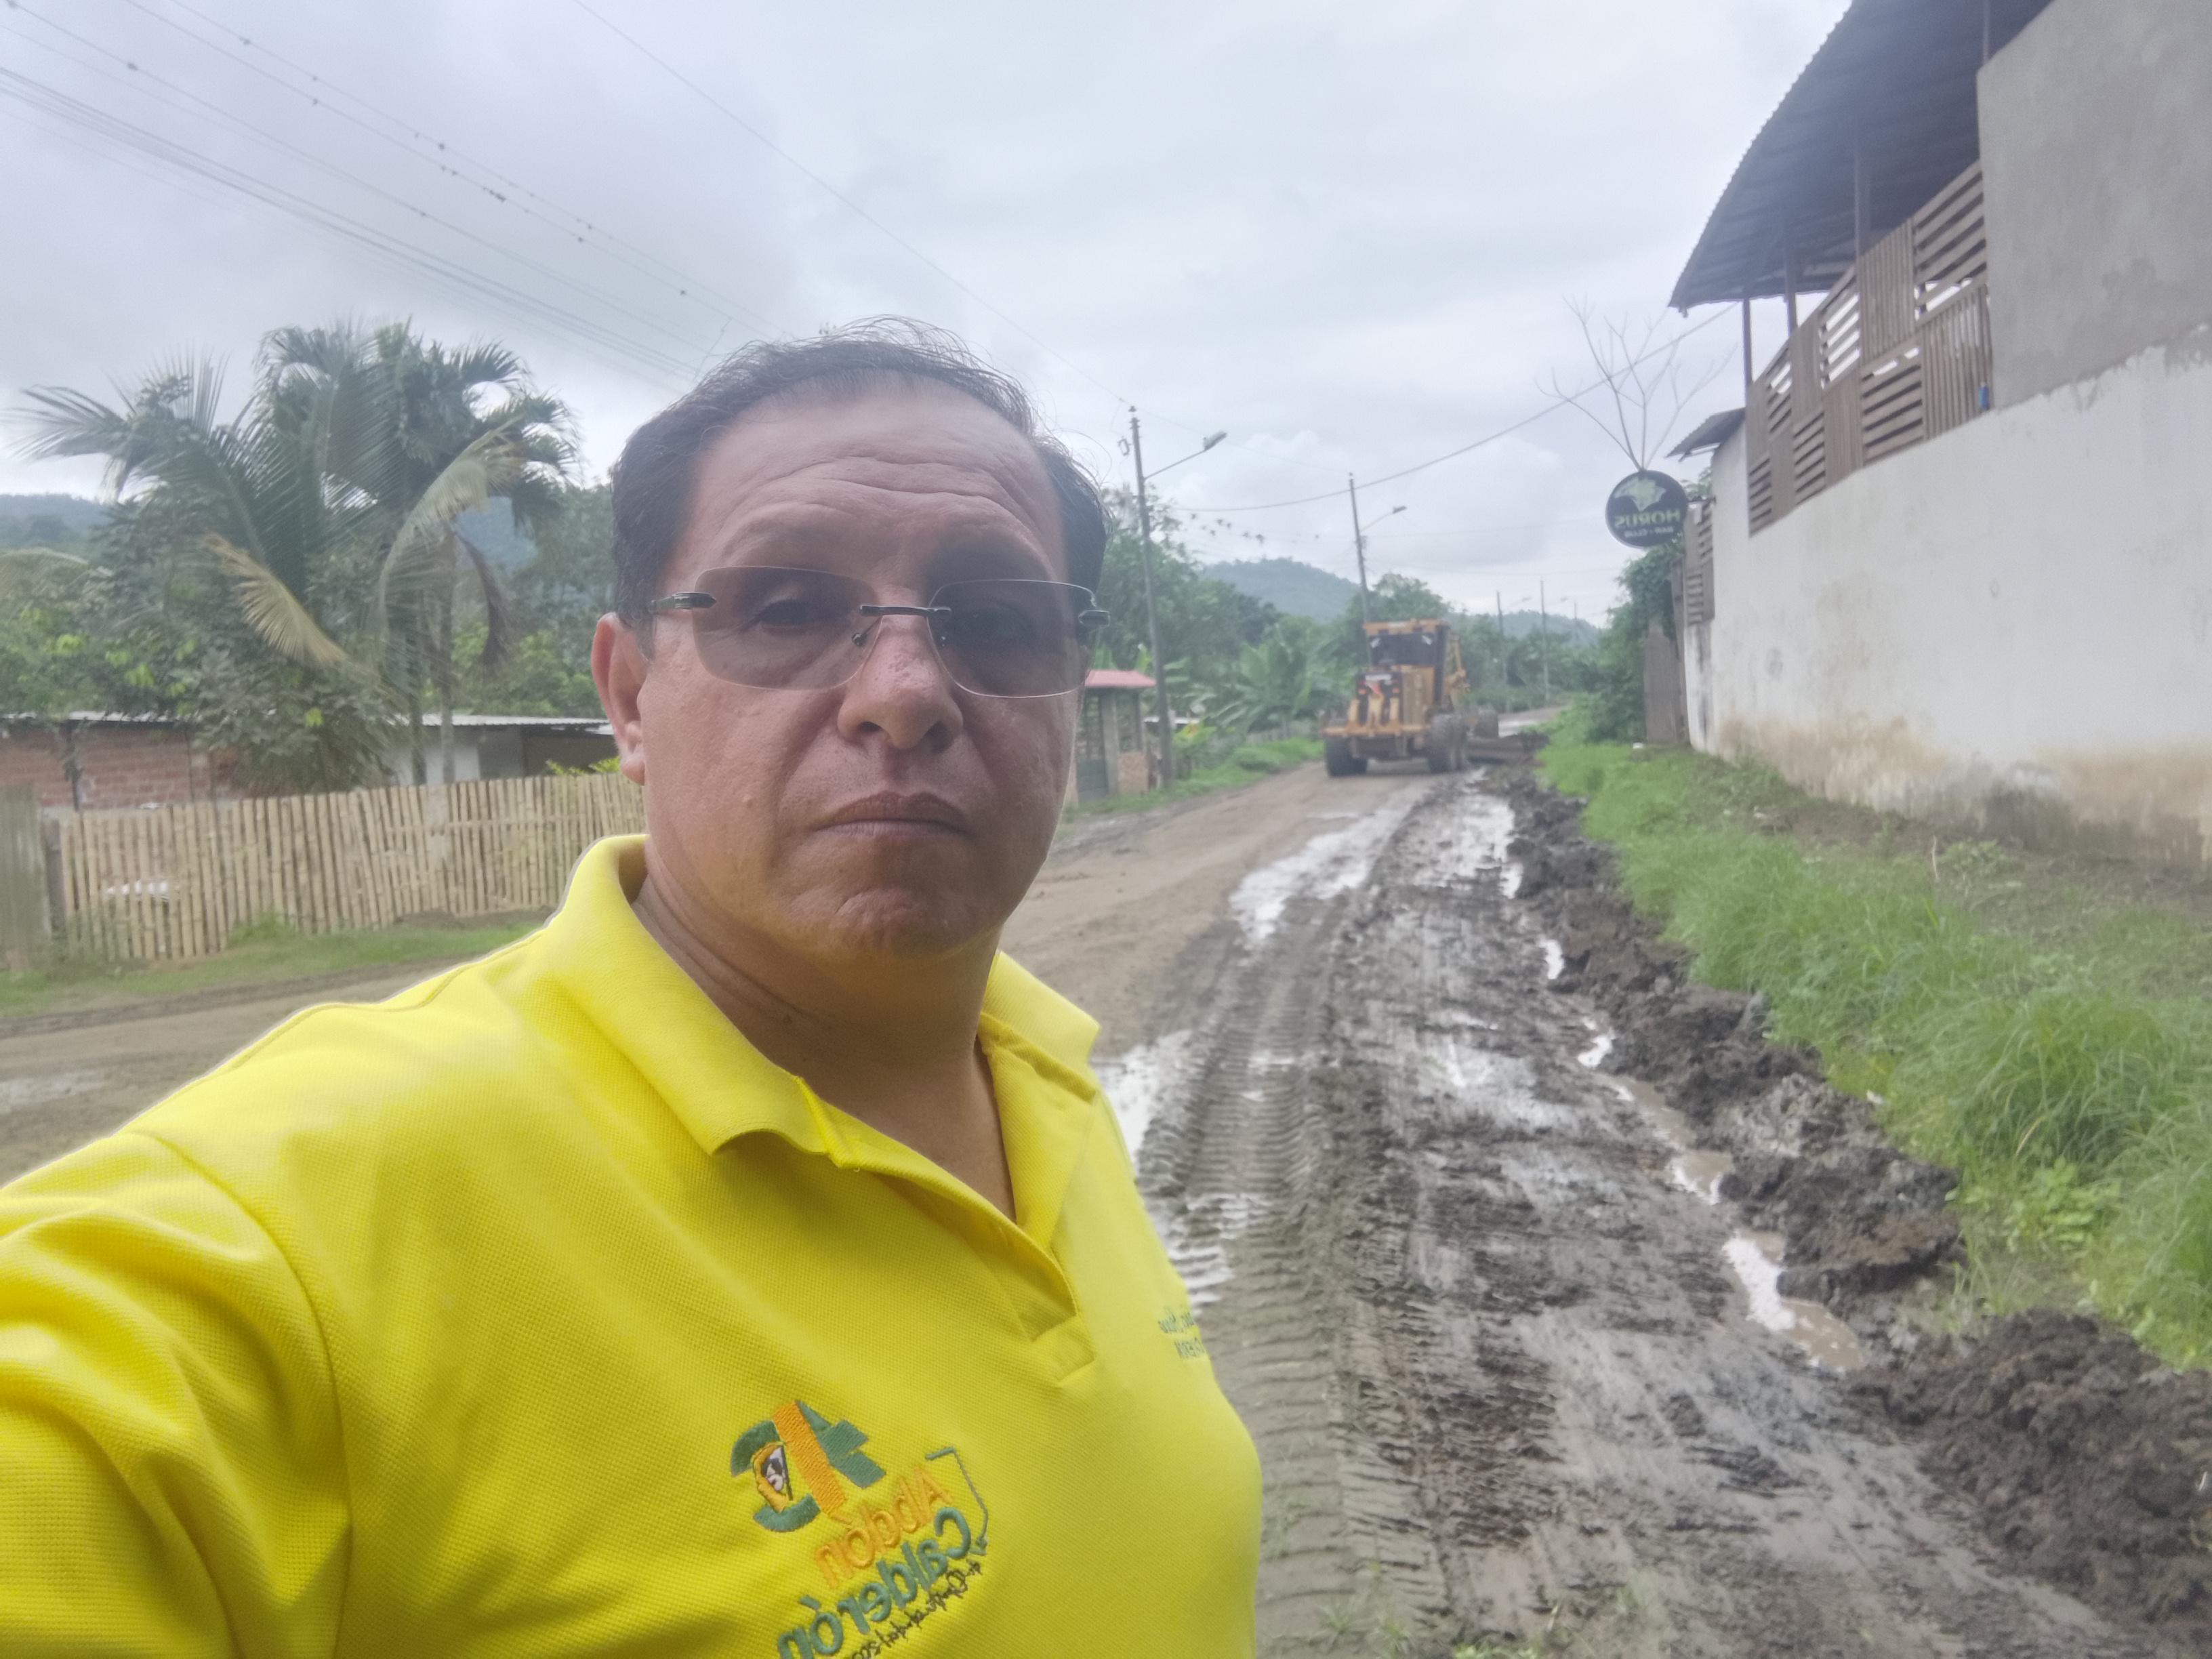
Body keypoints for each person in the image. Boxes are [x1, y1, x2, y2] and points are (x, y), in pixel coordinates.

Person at [0, 320, 1262, 1655]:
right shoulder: (285, 1241)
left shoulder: (1043, 1073)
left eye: (996, 620)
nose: (903, 693)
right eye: (787, 609)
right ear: (631, 699)